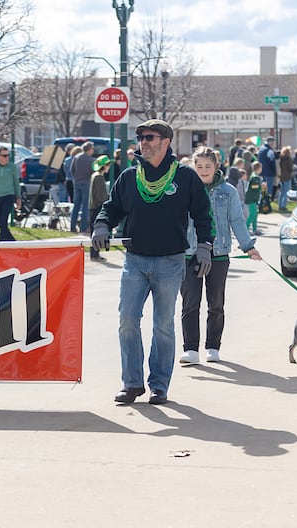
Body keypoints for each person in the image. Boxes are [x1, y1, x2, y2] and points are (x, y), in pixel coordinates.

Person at [91, 119, 214, 405]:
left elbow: (202, 214)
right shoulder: (129, 177)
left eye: (149, 137)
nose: (143, 141)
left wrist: (205, 246)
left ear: (165, 142)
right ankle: (132, 383)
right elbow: (111, 208)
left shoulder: (185, 177)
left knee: (162, 325)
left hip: (170, 262)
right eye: (140, 137)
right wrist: (101, 225)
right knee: (127, 321)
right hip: (135, 261)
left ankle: (159, 384)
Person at [179, 146, 261, 365]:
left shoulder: (228, 191)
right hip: (189, 254)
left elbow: (237, 221)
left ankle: (213, 346)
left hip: (219, 254)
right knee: (190, 303)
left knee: (216, 303)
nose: (203, 170)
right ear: (193, 167)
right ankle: (190, 349)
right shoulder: (184, 189)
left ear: (216, 167)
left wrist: (248, 246)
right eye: (199, 166)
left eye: (207, 166)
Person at [88, 155, 112, 261]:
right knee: (95, 231)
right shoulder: (98, 177)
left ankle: (95, 253)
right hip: (97, 206)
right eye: (108, 165)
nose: (109, 167)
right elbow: (100, 195)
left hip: (94, 206)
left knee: (94, 230)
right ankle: (94, 254)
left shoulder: (96, 175)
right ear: (104, 166)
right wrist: (109, 198)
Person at [70, 141, 95, 233]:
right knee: (85, 206)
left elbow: (72, 169)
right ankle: (83, 227)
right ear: (89, 149)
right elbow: (93, 172)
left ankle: (72, 226)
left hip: (76, 183)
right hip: (86, 182)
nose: (93, 150)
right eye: (92, 148)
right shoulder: (90, 160)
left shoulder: (76, 157)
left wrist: (76, 178)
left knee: (76, 205)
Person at [246, 161, 263, 235]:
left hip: (255, 199)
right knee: (252, 214)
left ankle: (254, 229)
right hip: (252, 198)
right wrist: (261, 186)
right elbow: (254, 187)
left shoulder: (255, 176)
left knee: (255, 214)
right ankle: (245, 228)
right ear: (259, 168)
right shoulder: (254, 177)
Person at [278, 145, 295, 212]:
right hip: (287, 176)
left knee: (281, 192)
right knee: (286, 192)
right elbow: (290, 168)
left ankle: (280, 205)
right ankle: (283, 206)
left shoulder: (281, 159)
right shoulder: (289, 159)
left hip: (281, 176)